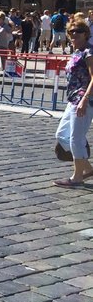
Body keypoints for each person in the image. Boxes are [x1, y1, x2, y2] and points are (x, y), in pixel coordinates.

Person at [53, 18, 93, 187]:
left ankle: (77, 177)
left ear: (86, 34)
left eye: (77, 31)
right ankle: (89, 169)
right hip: (73, 99)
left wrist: (85, 99)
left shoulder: (89, 52)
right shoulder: (76, 51)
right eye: (70, 32)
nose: (73, 35)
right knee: (62, 135)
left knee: (75, 138)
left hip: (84, 100)